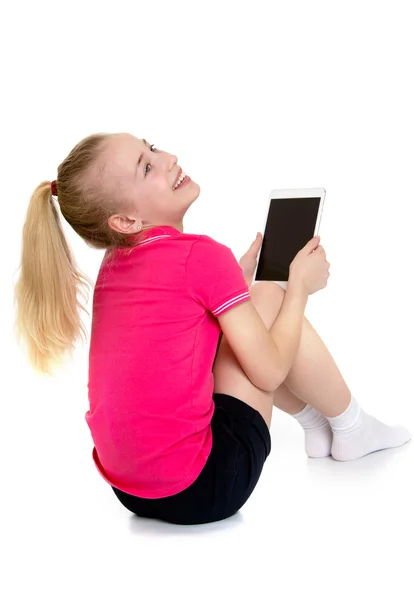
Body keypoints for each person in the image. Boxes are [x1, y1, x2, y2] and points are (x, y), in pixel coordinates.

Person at [13, 132, 411, 526]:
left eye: (151, 147)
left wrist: (230, 284)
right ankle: (351, 425)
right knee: (268, 295)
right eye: (147, 166)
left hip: (131, 492)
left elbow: (172, 344)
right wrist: (299, 289)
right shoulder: (201, 256)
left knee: (248, 309)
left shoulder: (113, 266)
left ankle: (316, 426)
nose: (167, 157)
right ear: (125, 219)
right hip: (209, 486)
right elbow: (270, 371)